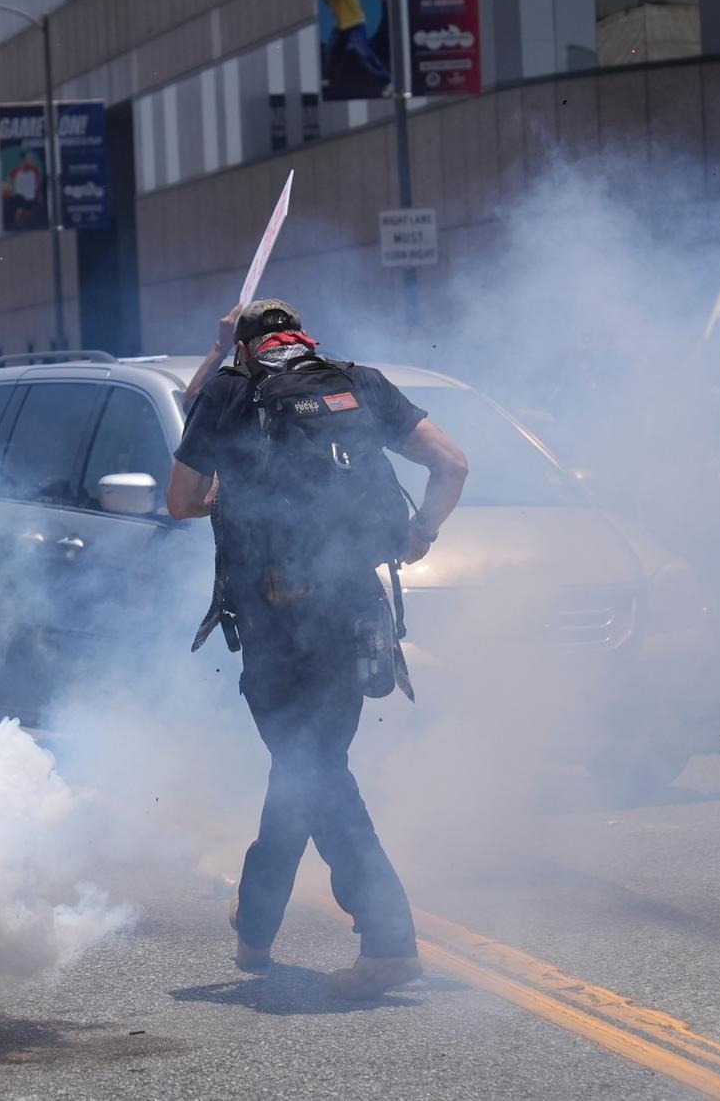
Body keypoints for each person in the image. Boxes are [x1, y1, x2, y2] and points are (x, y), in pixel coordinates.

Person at [167, 298, 468, 998]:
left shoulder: (229, 390)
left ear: (242, 347)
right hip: (357, 617)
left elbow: (182, 500)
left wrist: (235, 492)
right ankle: (255, 925)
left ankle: (390, 940)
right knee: (307, 767)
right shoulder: (354, 382)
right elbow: (451, 463)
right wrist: (420, 532)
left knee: (314, 772)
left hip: (277, 622)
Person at [317, 0, 390, 85]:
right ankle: (330, 79)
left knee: (365, 53)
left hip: (355, 24)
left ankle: (388, 79)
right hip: (342, 25)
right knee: (331, 51)